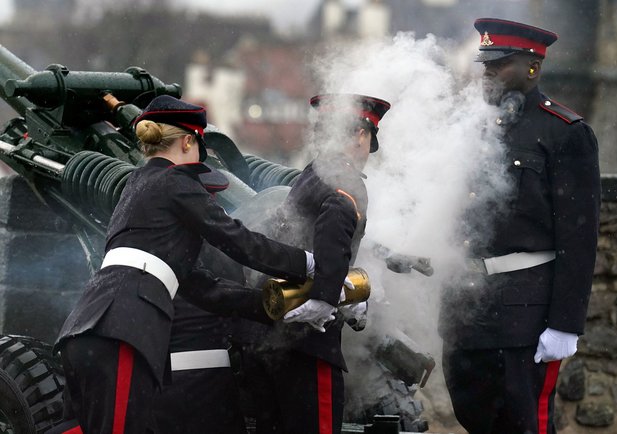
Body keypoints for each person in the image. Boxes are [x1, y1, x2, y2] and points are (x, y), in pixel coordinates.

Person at [52, 95, 322, 434]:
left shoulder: (137, 186)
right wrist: (309, 264)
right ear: (188, 141)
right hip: (126, 330)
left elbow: (202, 288)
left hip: (87, 330)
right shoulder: (177, 182)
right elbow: (239, 242)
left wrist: (273, 305)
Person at [438, 18, 601, 434]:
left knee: (524, 425)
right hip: (467, 313)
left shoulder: (564, 133)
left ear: (532, 66)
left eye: (499, 64)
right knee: (474, 420)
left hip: (524, 317)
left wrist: (565, 323)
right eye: (484, 64)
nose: (486, 73)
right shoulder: (472, 128)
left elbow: (578, 239)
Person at [236, 93, 391, 434]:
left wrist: (344, 288)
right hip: (306, 343)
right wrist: (325, 295)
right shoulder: (345, 181)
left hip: (267, 333)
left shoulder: (312, 174)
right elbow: (333, 229)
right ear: (362, 136)